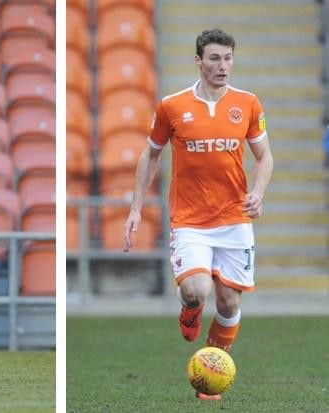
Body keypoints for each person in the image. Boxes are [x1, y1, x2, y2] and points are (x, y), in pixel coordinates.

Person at [123, 28, 273, 400]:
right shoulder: (172, 106)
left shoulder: (248, 104)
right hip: (190, 221)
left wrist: (258, 191)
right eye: (215, 59)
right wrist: (136, 208)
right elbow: (151, 154)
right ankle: (190, 309)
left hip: (235, 218)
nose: (223, 66)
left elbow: (264, 156)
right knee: (197, 290)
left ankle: (212, 374)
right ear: (198, 62)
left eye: (228, 58)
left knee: (229, 302)